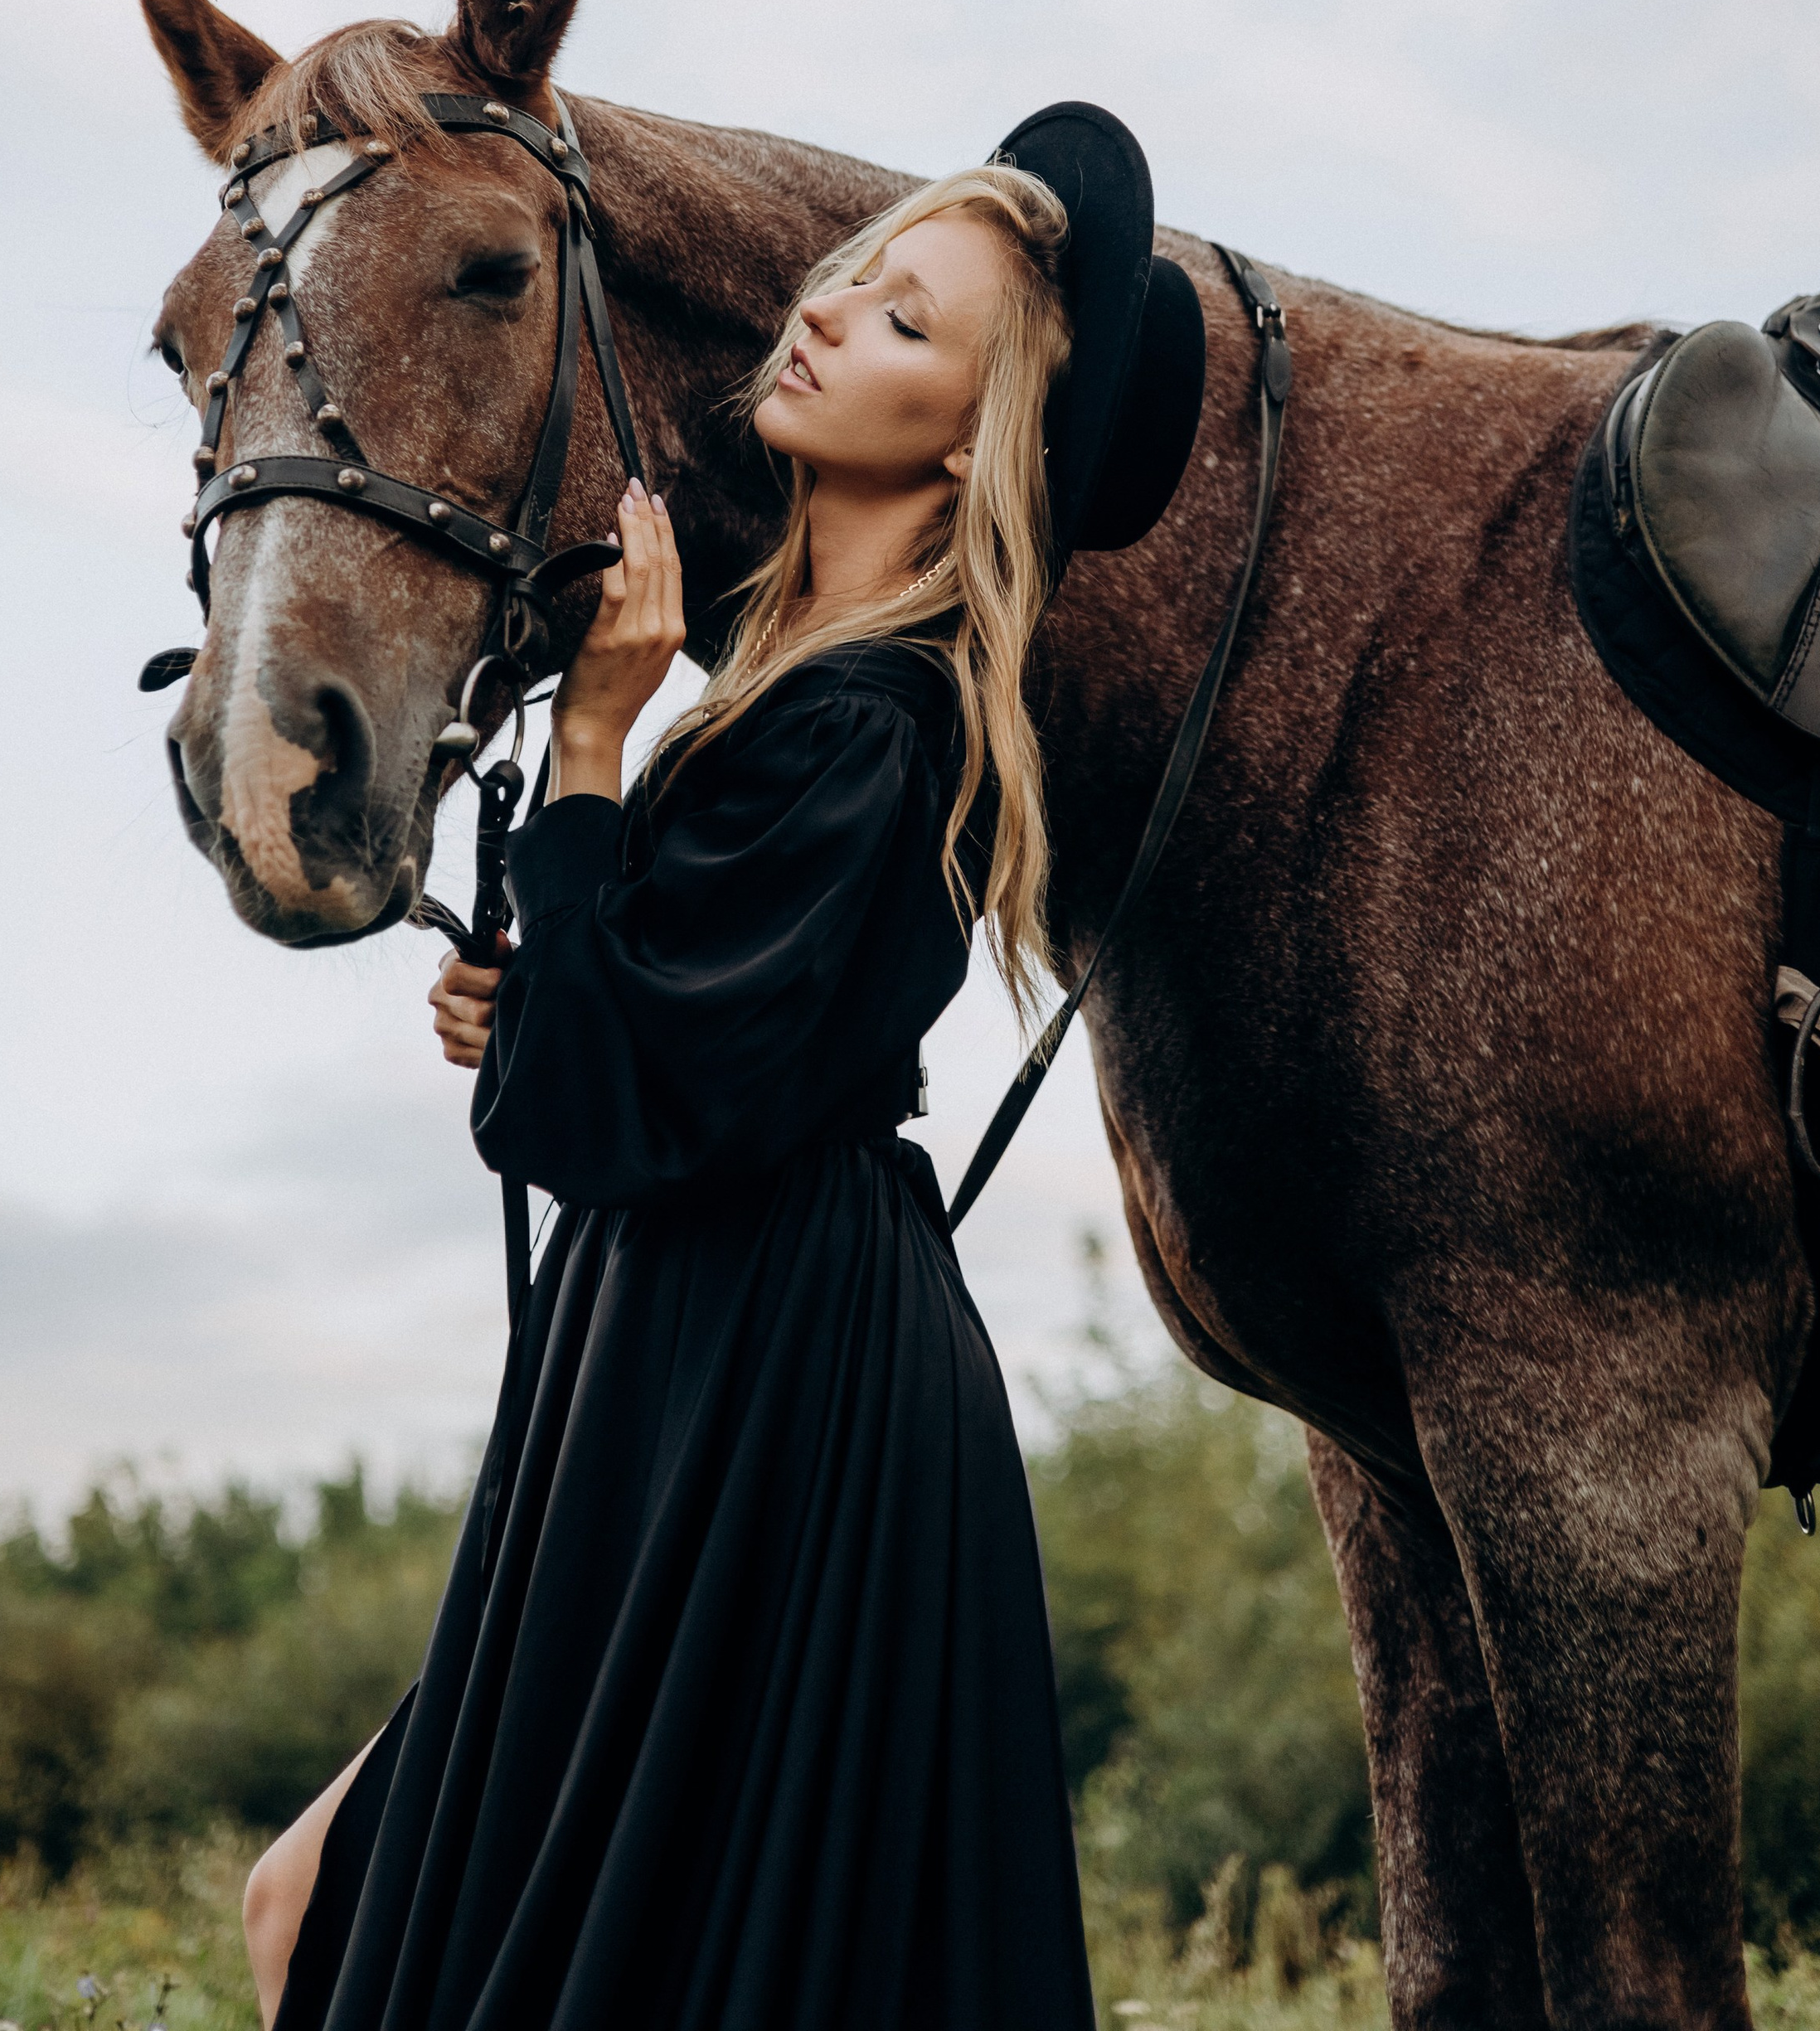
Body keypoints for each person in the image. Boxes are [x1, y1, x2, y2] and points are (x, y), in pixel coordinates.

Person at [243, 108, 1202, 2031]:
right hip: (692, 1354)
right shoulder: (787, 687)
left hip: (760, 1391)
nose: (834, 311)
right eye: (854, 273)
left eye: (908, 323)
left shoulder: (867, 715)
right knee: (345, 1917)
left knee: (369, 1923)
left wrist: (592, 758)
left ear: (968, 439)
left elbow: (618, 1124)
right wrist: (552, 980)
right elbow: (631, 1074)